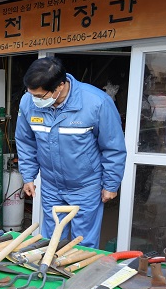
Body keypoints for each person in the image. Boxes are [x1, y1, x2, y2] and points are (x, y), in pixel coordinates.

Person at [14, 57, 127, 249]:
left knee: (82, 243)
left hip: (86, 186)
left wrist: (111, 184)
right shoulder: (28, 103)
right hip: (51, 185)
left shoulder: (96, 103)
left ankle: (79, 276)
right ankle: (49, 276)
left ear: (59, 86)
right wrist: (28, 176)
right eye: (31, 94)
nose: (35, 101)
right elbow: (25, 142)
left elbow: (113, 147)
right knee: (50, 241)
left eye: (40, 96)